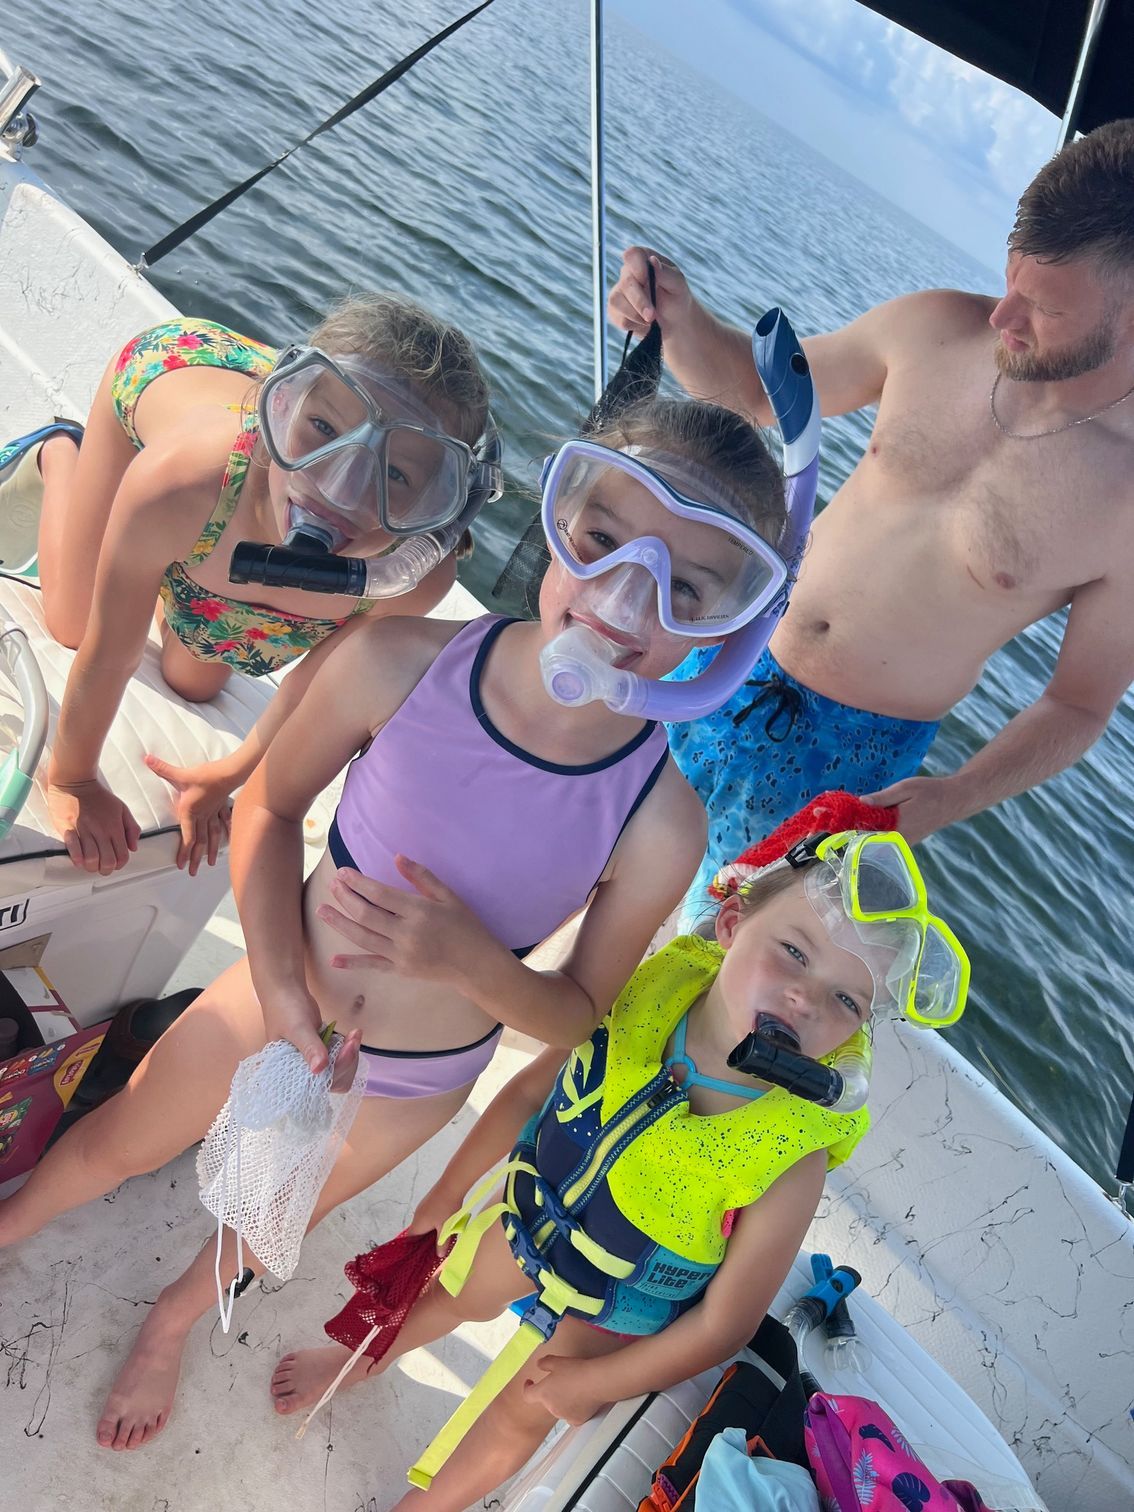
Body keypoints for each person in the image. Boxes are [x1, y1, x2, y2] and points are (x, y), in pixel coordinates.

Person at [0, 393, 792, 1453]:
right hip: (276, 998)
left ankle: (173, 1318)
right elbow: (272, 810)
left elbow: (575, 1014)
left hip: (413, 1082)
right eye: (602, 544)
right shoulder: (403, 663)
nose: (622, 601)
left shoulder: (659, 820)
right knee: (116, 1141)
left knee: (270, 1222)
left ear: (721, 631)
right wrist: (283, 995)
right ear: (559, 525)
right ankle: (9, 1225)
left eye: (683, 590)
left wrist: (466, 962)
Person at [267, 825, 967, 1511]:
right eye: (792, 951)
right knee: (453, 1292)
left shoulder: (794, 1159)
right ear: (729, 924)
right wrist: (448, 1193)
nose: (806, 998)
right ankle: (358, 1359)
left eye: (848, 1000)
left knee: (526, 1407)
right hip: (535, 1212)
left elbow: (723, 1326)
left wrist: (608, 1378)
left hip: (619, 1304)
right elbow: (533, 1090)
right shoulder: (650, 994)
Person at [607, 118, 1134, 905]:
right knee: (585, 848)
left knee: (692, 955)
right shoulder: (935, 327)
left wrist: (956, 794)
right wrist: (679, 320)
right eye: (1011, 277)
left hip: (848, 758)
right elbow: (755, 395)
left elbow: (1080, 703)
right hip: (727, 652)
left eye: (1045, 308)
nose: (1002, 316)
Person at [0, 294, 499, 876]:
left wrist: (230, 773)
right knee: (75, 624)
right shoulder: (183, 482)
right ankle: (62, 452)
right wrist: (75, 777)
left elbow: (317, 683)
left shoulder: (411, 574)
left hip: (255, 450)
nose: (338, 487)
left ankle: (181, 566)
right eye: (322, 428)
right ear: (285, 402)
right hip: (172, 372)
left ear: (439, 503)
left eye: (394, 473)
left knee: (196, 683)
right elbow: (110, 655)